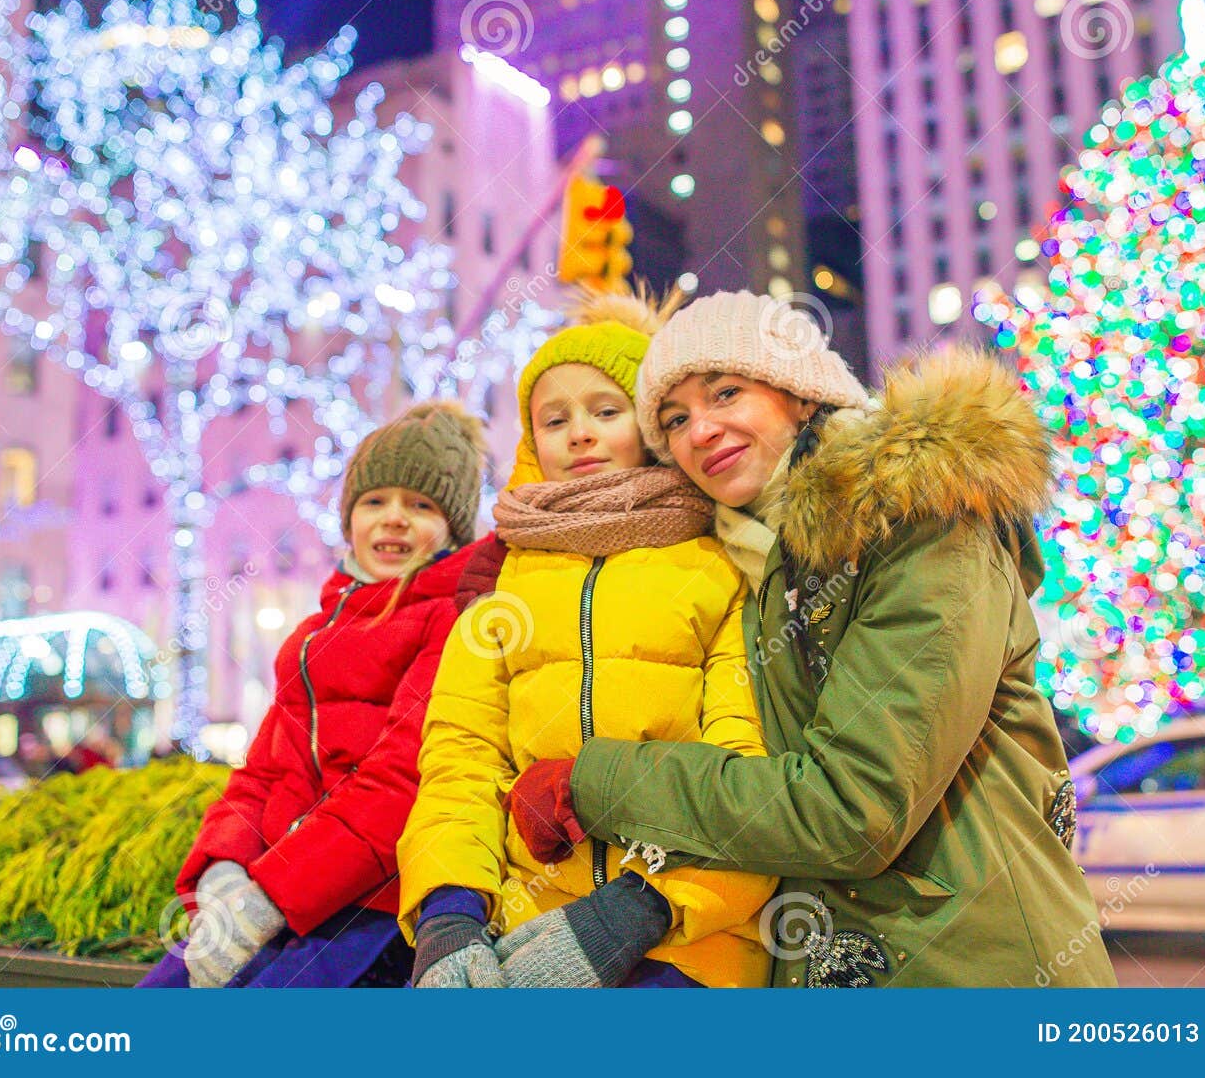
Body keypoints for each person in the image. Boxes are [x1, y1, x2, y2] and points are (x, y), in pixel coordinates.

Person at [507, 291, 1117, 987]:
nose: (700, 430)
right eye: (674, 419)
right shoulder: (755, 564)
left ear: (800, 393)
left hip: (978, 969)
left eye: (726, 391)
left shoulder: (921, 518)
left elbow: (852, 809)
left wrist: (594, 780)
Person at [397, 290, 777, 988]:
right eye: (554, 418)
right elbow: (461, 757)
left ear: (653, 424)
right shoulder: (507, 578)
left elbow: (748, 772)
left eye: (607, 410)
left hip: (693, 939)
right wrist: (449, 916)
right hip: (523, 929)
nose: (579, 433)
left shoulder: (722, 563)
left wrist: (633, 914)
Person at [139, 402, 488, 988]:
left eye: (421, 505)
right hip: (275, 885)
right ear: (349, 518)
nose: (393, 519)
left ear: (454, 528)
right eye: (374, 501)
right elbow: (262, 773)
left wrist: (269, 896)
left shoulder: (452, 623)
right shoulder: (313, 637)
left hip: (370, 904)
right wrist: (224, 867)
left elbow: (398, 785)